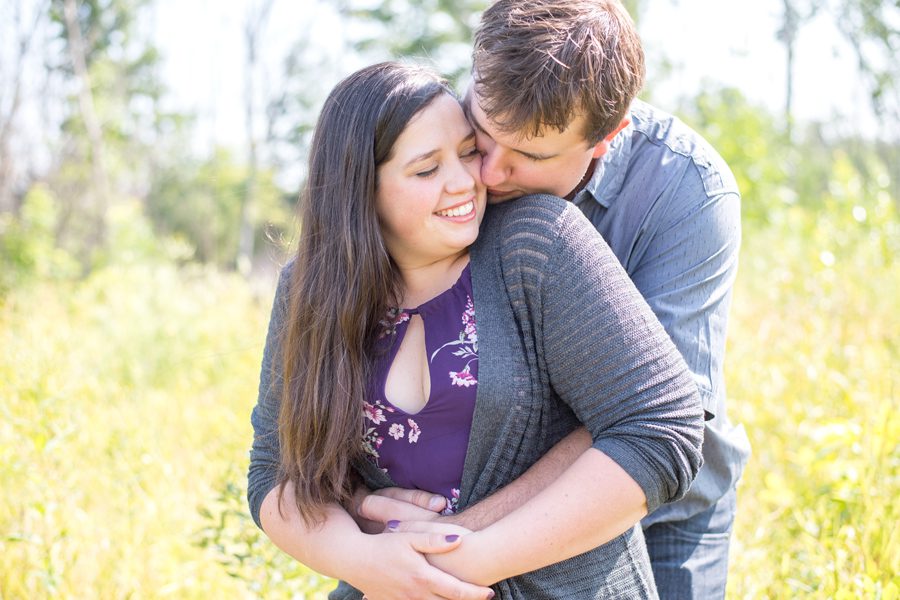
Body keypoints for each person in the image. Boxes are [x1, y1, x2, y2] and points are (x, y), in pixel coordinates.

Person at [247, 61, 705, 599]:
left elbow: (660, 427)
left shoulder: (535, 243)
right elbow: (275, 472)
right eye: (426, 169)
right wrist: (370, 563)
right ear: (359, 190)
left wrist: (466, 561)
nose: (467, 180)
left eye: (467, 151)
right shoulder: (309, 290)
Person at [356, 1, 752, 599]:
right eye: (480, 134)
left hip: (657, 510)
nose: (484, 174)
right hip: (479, 525)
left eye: (530, 156)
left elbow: (649, 418)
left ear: (605, 139)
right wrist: (367, 510)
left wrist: (445, 542)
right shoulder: (448, 162)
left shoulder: (685, 193)